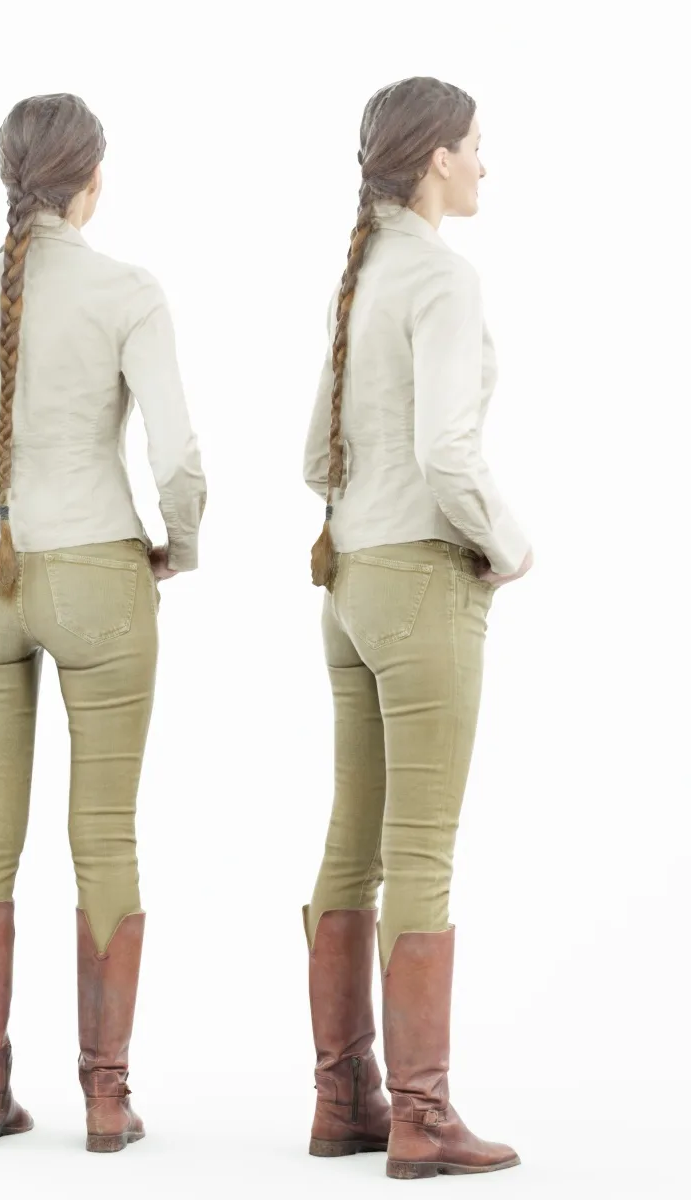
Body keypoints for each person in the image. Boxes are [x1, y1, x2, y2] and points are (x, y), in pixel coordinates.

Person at [0, 92, 206, 1153]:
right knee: (104, 833)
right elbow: (177, 460)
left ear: (7, 174)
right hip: (103, 572)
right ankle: (106, 1101)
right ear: (93, 177)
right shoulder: (128, 290)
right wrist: (183, 546)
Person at [301, 77, 531, 1179]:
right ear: (437, 156)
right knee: (421, 852)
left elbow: (313, 460)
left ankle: (344, 1098)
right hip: (425, 577)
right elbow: (449, 451)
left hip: (347, 582)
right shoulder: (438, 275)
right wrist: (509, 539)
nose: (487, 164)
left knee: (355, 837)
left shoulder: (360, 276)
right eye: (479, 146)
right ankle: (424, 1118)